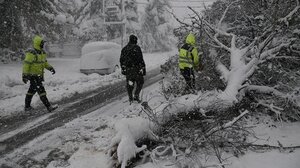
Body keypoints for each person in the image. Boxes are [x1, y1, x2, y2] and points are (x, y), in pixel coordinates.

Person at [22, 35, 58, 112]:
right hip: (33, 76)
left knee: (31, 91)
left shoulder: (42, 53)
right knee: (41, 91)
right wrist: (25, 75)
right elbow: (26, 64)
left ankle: (27, 107)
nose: (43, 45)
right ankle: (49, 107)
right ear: (38, 43)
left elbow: (44, 63)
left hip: (39, 76)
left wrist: (50, 68)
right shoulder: (31, 53)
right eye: (42, 43)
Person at [120, 34, 146, 104]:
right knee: (140, 82)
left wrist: (123, 69)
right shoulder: (137, 48)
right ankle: (136, 95)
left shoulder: (124, 49)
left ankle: (130, 97)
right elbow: (141, 59)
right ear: (135, 40)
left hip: (128, 70)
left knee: (130, 84)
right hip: (136, 69)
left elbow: (121, 60)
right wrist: (143, 69)